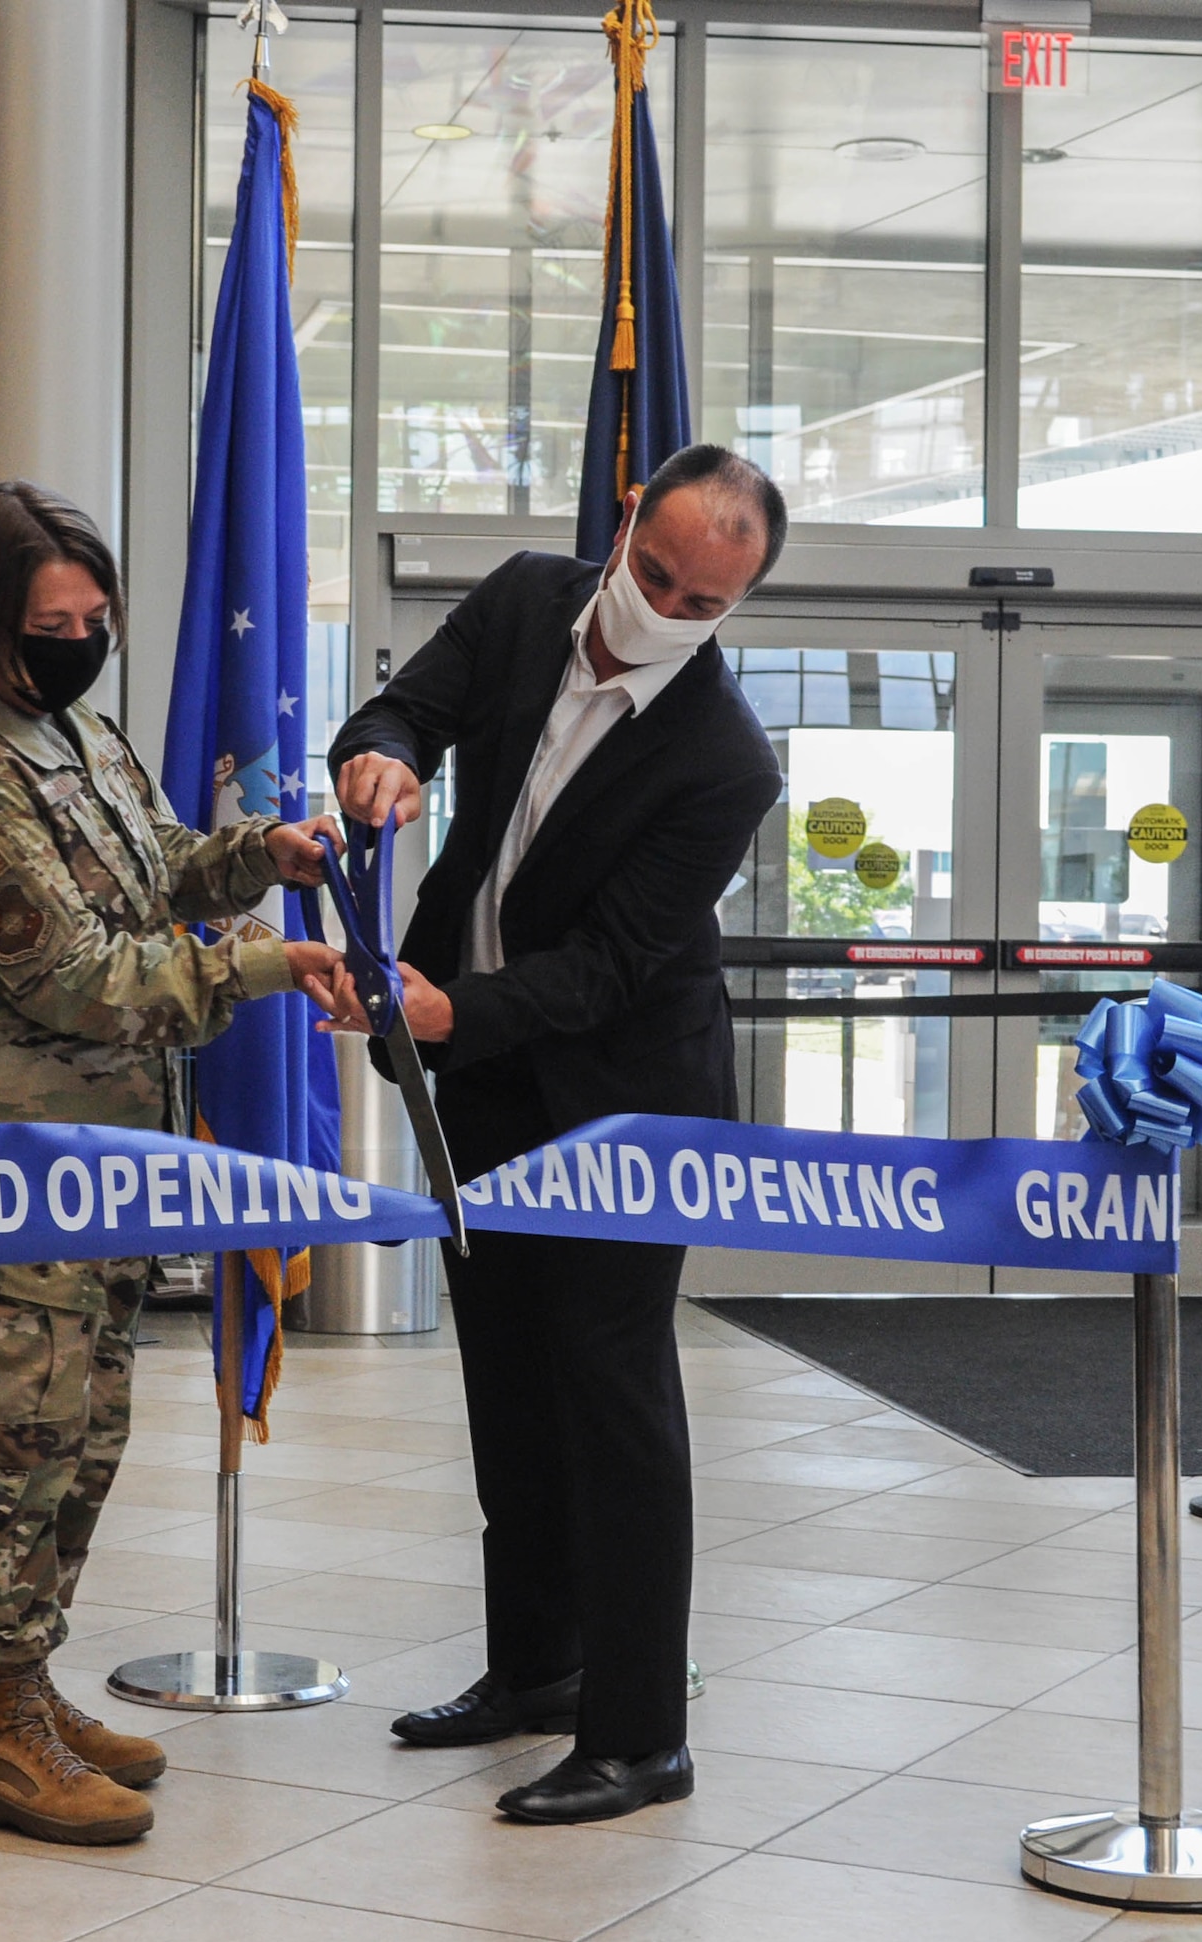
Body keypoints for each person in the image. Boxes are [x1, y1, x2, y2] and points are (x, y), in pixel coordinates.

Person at [0, 481, 343, 1846]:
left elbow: (160, 866)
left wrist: (262, 857)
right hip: (10, 1156)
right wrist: (267, 966)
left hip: (110, 1152)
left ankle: (30, 1681)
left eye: (95, 615)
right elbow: (73, 975)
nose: (82, 637)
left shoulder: (75, 733)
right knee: (17, 1437)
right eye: (53, 621)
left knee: (90, 1425)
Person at [317, 445, 785, 1825]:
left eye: (703, 602)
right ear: (627, 516)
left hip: (630, 1094)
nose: (667, 607)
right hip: (491, 1075)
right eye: (654, 574)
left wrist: (446, 1005)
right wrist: (382, 764)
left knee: (612, 1393)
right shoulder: (529, 600)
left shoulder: (725, 758)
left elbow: (612, 968)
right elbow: (406, 708)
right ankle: (535, 1668)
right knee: (510, 1375)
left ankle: (640, 1734)